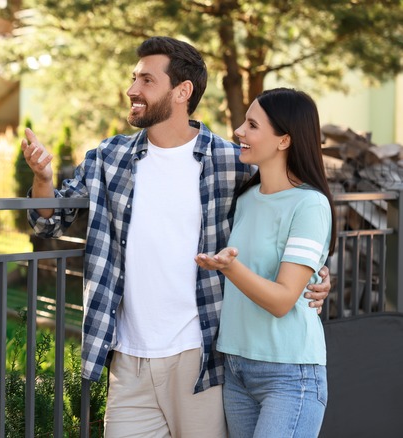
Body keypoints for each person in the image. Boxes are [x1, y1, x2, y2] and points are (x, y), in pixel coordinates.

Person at [20, 36, 331, 437]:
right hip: (128, 358)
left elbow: (289, 213)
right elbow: (49, 221)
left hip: (200, 358)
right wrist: (43, 179)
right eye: (134, 78)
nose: (132, 89)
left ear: (182, 91)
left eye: (147, 80)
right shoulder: (108, 158)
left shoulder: (229, 162)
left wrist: (318, 273)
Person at [195, 88, 335, 437]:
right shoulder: (246, 199)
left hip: (289, 374)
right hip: (237, 369)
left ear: (284, 140)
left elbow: (282, 300)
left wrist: (230, 268)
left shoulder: (310, 206)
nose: (239, 131)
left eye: (252, 125)